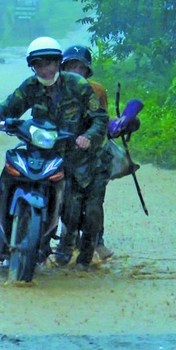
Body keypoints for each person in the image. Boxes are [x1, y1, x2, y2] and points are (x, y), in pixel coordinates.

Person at [0, 37, 109, 268]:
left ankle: (82, 261)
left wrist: (87, 137)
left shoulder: (79, 86)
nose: (44, 69)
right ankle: (1, 229)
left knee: (77, 212)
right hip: (42, 154)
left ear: (58, 63)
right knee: (11, 171)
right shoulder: (30, 86)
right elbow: (10, 105)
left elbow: (100, 119)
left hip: (77, 158)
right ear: (33, 67)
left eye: (49, 63)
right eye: (38, 65)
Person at [61, 45, 114, 261]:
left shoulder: (96, 91)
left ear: (86, 71)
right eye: (70, 66)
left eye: (79, 67)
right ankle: (63, 243)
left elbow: (102, 120)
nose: (75, 71)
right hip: (66, 153)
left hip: (93, 156)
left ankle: (95, 244)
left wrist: (90, 138)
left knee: (93, 205)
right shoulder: (55, 90)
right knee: (68, 204)